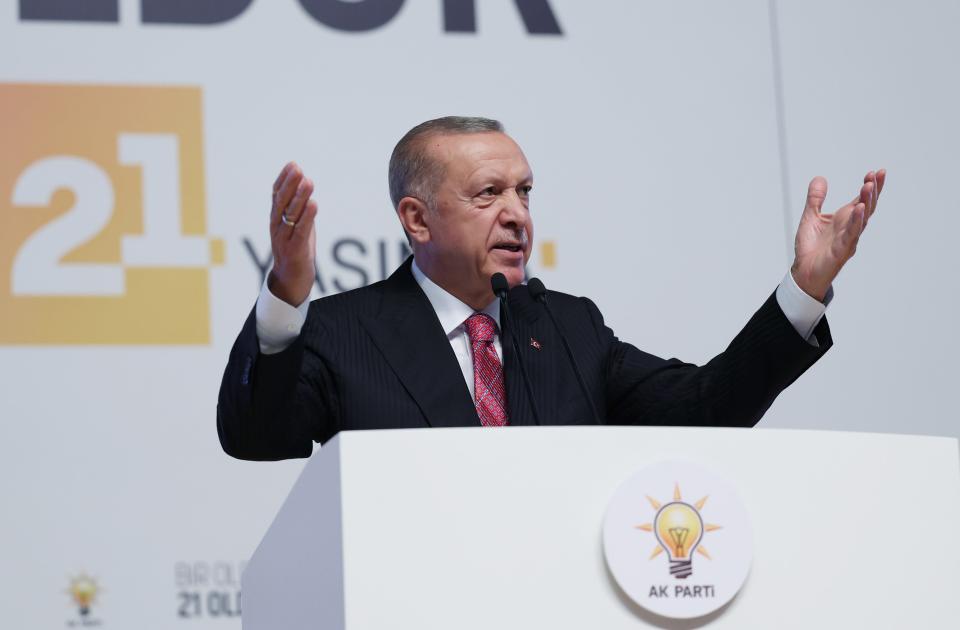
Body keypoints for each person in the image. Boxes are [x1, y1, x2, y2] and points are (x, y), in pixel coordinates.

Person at [217, 116, 885, 460]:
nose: (517, 213)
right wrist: (284, 295)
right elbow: (255, 436)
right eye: (488, 193)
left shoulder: (567, 328)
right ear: (416, 219)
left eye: (524, 191)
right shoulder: (342, 332)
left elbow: (709, 407)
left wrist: (804, 286)